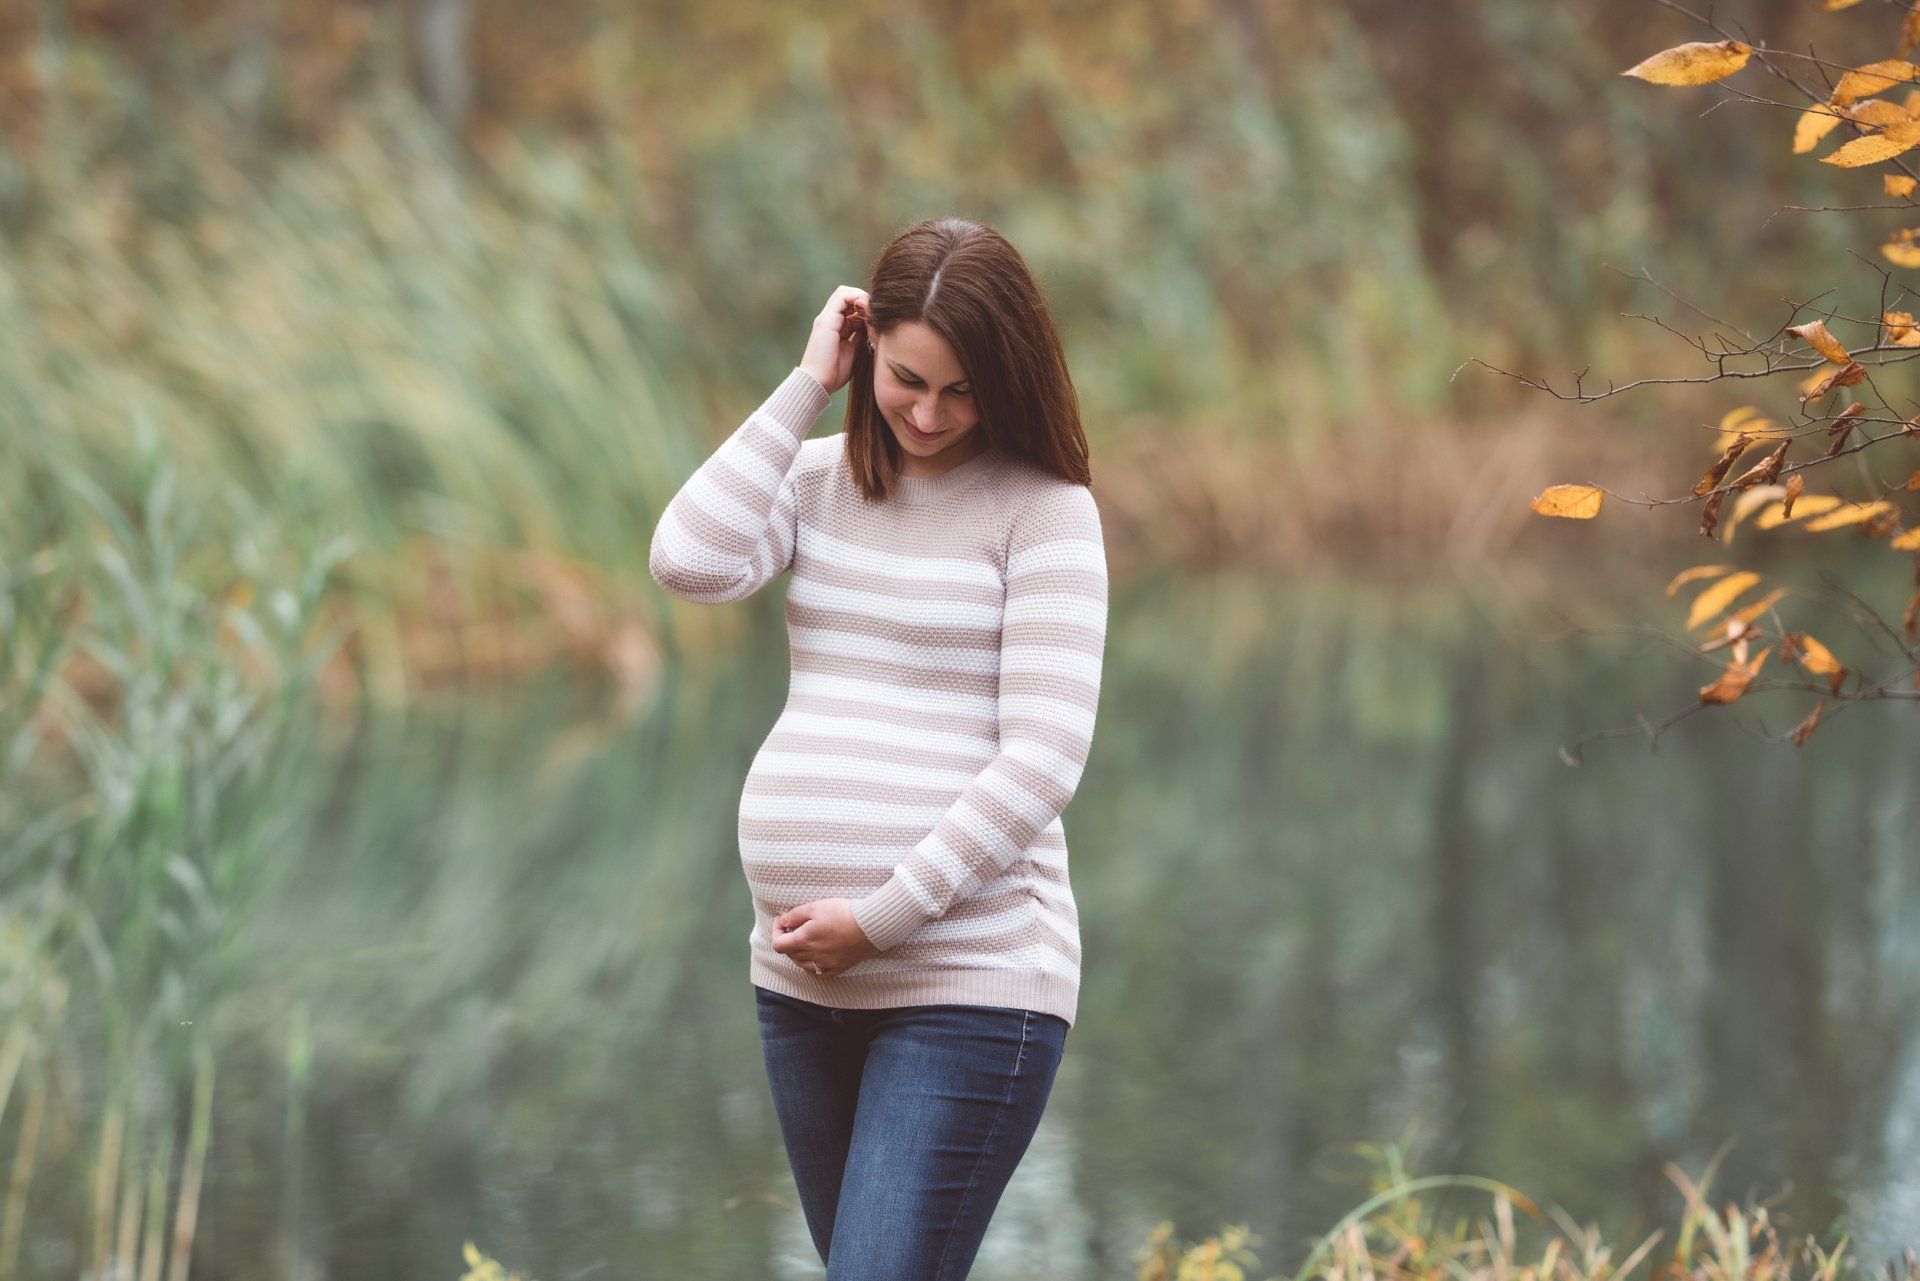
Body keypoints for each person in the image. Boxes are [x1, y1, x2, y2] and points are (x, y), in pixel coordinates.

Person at [648, 216, 1108, 1279]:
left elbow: (1043, 758)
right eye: (907, 379)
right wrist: (806, 385)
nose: (931, 414)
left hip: (973, 980)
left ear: (1011, 378)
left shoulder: (1046, 514)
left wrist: (883, 918)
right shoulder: (814, 484)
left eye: (963, 390)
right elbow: (686, 561)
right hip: (802, 986)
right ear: (867, 346)